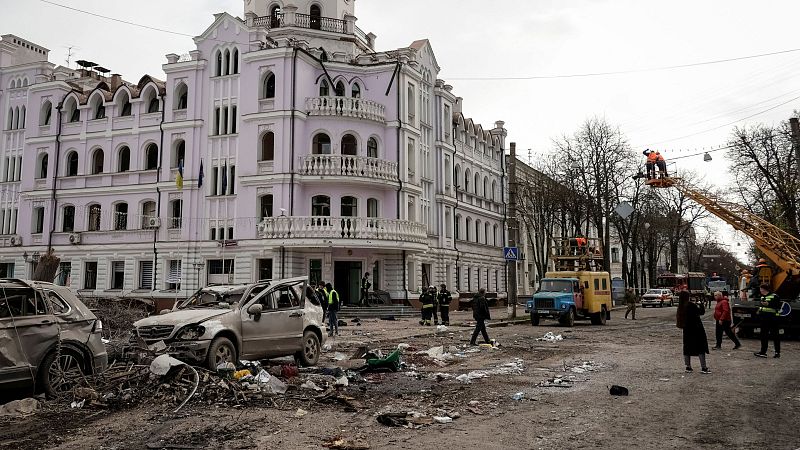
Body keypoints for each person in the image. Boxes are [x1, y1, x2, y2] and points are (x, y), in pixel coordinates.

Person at [676, 291, 710, 374]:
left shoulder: (680, 307)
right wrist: (700, 304)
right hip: (696, 328)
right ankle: (704, 367)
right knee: (700, 347)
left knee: (687, 348)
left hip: (687, 330)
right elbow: (701, 312)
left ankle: (688, 366)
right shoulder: (690, 305)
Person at [754, 283, 781, 358]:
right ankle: (763, 352)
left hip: (773, 319)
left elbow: (778, 306)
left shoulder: (775, 296)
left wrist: (768, 304)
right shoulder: (762, 296)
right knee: (763, 336)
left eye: (760, 289)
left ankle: (777, 352)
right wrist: (759, 310)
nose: (760, 290)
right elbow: (762, 306)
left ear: (763, 289)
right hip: (764, 319)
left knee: (775, 336)